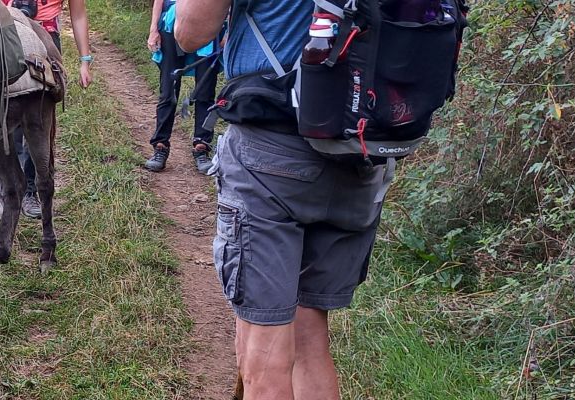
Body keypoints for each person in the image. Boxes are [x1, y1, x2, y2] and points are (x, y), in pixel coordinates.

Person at [174, 0, 396, 399]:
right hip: (361, 152)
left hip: (272, 154)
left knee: (267, 348)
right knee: (310, 333)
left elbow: (190, 33)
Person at [0, 0, 93, 220]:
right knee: (2, 114)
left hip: (45, 39)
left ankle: (30, 191)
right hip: (6, 34)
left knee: (38, 124)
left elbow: (78, 14)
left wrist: (85, 60)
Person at [143, 0, 222, 174]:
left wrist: (229, 31)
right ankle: (160, 146)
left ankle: (202, 147)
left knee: (205, 91)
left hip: (209, 25)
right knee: (168, 91)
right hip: (171, 24)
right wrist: (153, 29)